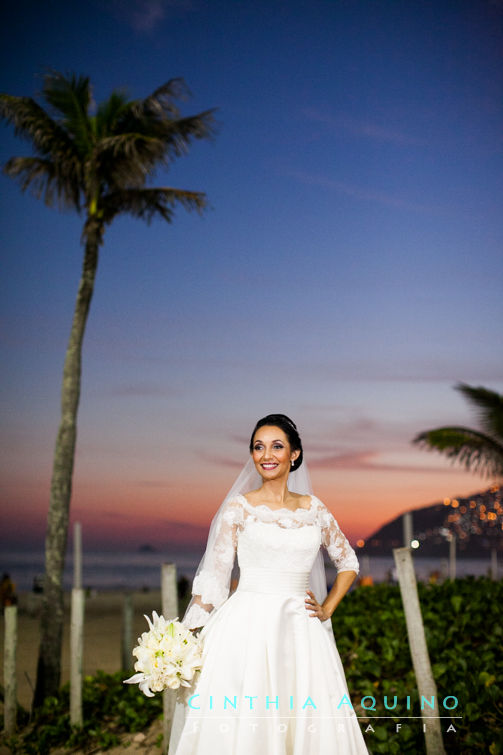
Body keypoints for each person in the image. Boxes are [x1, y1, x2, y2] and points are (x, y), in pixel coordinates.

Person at [168, 414, 369, 754]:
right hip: (245, 629)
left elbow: (348, 562)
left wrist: (327, 608)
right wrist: (184, 639)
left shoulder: (314, 509)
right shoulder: (238, 509)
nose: (267, 455)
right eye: (259, 447)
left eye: (277, 446)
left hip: (301, 632)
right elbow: (216, 578)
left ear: (294, 454)